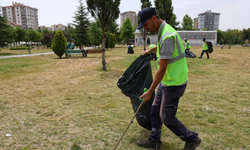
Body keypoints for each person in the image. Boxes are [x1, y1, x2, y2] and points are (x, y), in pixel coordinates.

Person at [136, 7, 201, 150]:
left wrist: (150, 91)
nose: (146, 29)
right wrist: (150, 50)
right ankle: (155, 141)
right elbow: (162, 48)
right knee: (154, 111)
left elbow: (162, 69)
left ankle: (192, 139)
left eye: (145, 25)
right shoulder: (163, 31)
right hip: (168, 81)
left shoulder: (167, 36)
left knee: (167, 117)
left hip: (174, 83)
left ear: (153, 18)